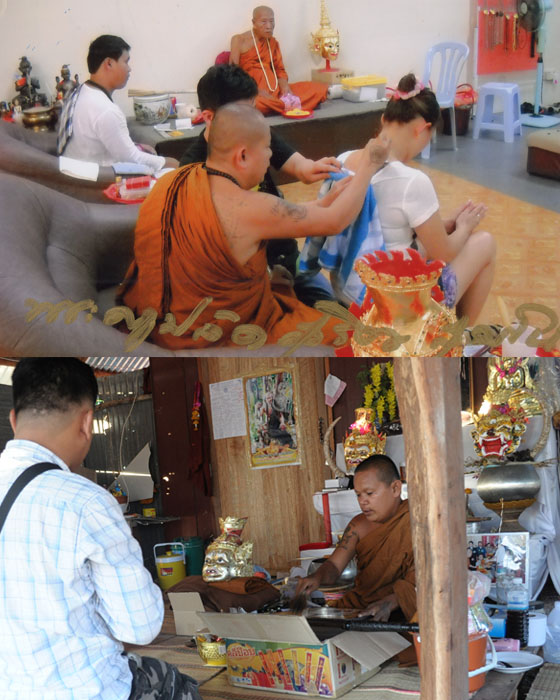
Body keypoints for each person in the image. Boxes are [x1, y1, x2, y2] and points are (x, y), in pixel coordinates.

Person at [0, 358, 200, 700]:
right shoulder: (85, 502)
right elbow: (140, 626)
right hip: (88, 689)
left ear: (13, 419)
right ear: (87, 422)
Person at [118, 103, 390, 350]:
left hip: (161, 321)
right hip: (213, 333)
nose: (271, 156)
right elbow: (335, 222)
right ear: (243, 156)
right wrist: (369, 164)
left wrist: (328, 200)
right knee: (352, 334)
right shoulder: (248, 205)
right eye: (268, 148)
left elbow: (293, 214)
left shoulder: (172, 181)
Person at [303, 73, 496, 324]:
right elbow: (444, 253)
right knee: (485, 243)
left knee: (431, 244)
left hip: (350, 297)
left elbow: (394, 234)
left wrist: (446, 224)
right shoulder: (412, 181)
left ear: (384, 120)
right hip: (395, 310)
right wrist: (466, 226)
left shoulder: (342, 160)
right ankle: (459, 338)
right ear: (423, 129)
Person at [179, 63, 340, 306]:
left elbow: (301, 169)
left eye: (255, 109)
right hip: (241, 283)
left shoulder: (255, 134)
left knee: (335, 311)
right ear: (209, 117)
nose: (254, 120)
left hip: (284, 260)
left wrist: (315, 168)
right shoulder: (192, 173)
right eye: (244, 113)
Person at [295, 455, 416, 621]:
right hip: (362, 607)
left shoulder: (416, 521)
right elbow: (334, 567)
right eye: (358, 495)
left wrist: (392, 601)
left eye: (369, 493)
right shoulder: (358, 526)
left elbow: (427, 583)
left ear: (395, 488)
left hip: (407, 611)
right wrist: (317, 578)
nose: (363, 501)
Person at [57, 35, 178, 172]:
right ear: (109, 63)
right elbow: (133, 159)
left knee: (149, 151)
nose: (129, 68)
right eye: (126, 62)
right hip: (96, 183)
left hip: (79, 173)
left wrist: (136, 146)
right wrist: (168, 162)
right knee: (172, 169)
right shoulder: (106, 110)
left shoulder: (82, 92)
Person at [229, 6, 328, 115]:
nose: (269, 26)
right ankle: (285, 105)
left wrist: (285, 87)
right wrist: (254, 90)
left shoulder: (273, 43)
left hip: (275, 90)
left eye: (272, 21)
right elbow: (233, 73)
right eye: (263, 22)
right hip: (252, 92)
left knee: (318, 88)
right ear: (254, 22)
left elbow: (279, 70)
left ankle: (279, 104)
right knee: (252, 103)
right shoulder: (239, 40)